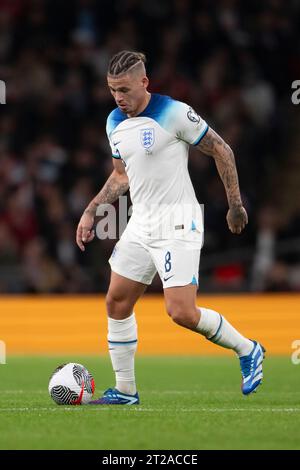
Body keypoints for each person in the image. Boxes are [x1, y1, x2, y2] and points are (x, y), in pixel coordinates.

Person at [76, 50, 265, 405]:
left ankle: (248, 348)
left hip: (177, 221)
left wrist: (235, 204)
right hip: (141, 222)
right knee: (116, 301)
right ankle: (126, 391)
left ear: (144, 83)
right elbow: (121, 176)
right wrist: (91, 212)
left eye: (125, 89)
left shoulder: (174, 113)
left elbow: (222, 150)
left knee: (180, 312)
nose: (119, 97)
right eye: (113, 90)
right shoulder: (114, 122)